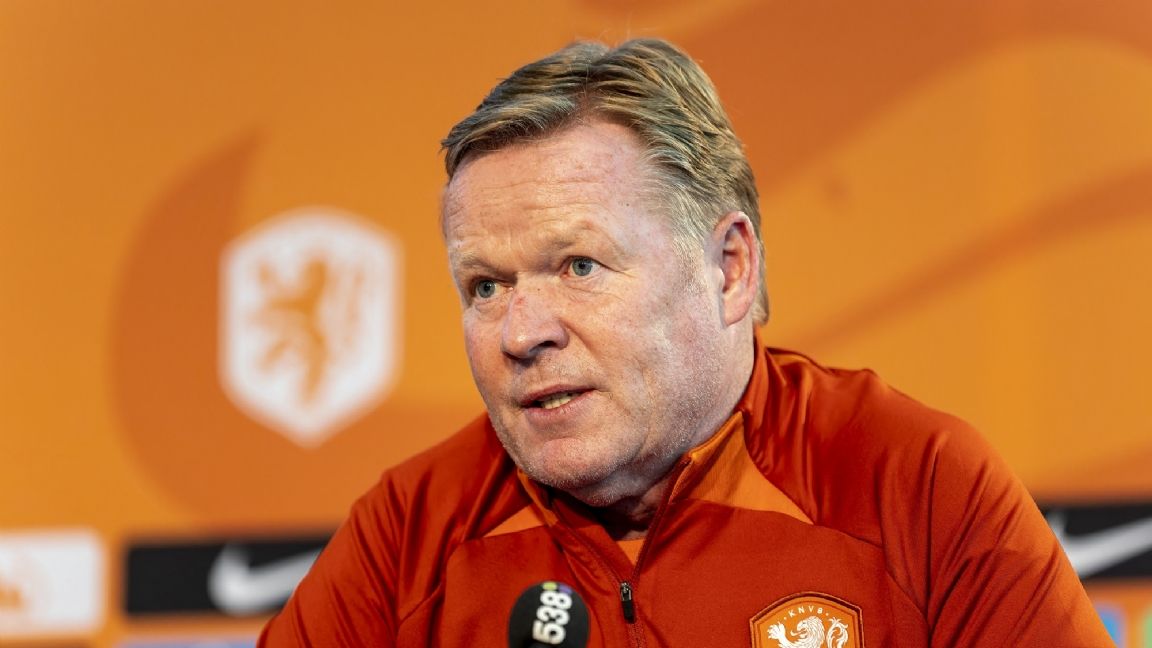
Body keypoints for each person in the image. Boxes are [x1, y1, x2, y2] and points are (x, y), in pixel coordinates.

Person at [260, 39, 1110, 647]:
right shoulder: (410, 537)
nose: (522, 332)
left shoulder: (917, 489)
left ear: (729, 268)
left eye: (579, 266)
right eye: (486, 286)